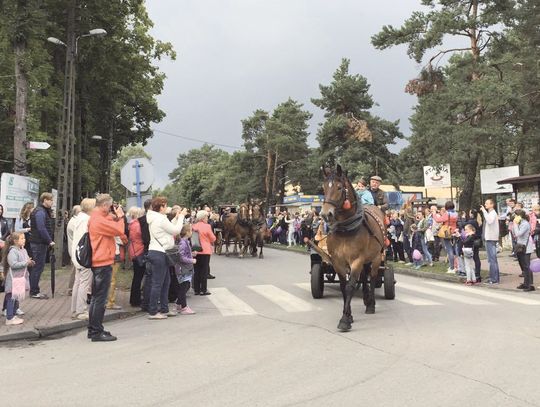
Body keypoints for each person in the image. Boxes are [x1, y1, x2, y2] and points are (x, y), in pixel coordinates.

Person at [87, 194, 126, 342]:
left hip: (100, 261)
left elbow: (109, 222)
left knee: (97, 298)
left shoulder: (97, 217)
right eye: (109, 206)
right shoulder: (98, 220)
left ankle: (93, 329)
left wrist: (113, 215)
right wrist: (121, 217)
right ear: (104, 205)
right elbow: (119, 231)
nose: (111, 209)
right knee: (100, 299)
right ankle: (96, 331)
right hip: (102, 262)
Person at [146, 197, 185, 319]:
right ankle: (152, 311)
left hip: (158, 252)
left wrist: (176, 218)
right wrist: (182, 217)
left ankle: (164, 308)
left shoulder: (157, 218)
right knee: (158, 283)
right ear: (161, 207)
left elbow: (168, 227)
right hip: (159, 253)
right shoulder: (160, 219)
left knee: (165, 282)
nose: (167, 207)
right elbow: (175, 230)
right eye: (165, 205)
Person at [70, 198, 96, 320]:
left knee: (78, 282)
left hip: (77, 254)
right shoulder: (87, 220)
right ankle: (81, 310)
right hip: (84, 255)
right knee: (84, 283)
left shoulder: (78, 218)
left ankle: (74, 309)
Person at [1, 232, 33, 325]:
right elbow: (13, 264)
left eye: (24, 238)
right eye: (21, 238)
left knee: (16, 297)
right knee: (11, 298)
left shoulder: (23, 250)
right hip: (13, 279)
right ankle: (9, 318)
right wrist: (25, 263)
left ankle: (13, 314)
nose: (24, 240)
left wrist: (30, 262)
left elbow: (26, 260)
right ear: (15, 241)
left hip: (20, 278)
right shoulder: (12, 251)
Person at [28, 193, 55, 299]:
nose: (52, 202)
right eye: (50, 200)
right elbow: (41, 228)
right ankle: (34, 291)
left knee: (37, 267)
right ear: (45, 200)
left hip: (38, 242)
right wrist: (49, 241)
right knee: (37, 267)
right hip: (39, 243)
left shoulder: (41, 211)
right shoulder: (40, 212)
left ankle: (34, 290)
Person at [192, 210, 216, 296]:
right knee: (204, 270)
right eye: (206, 217)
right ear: (203, 218)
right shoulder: (207, 226)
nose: (207, 218)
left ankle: (196, 289)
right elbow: (213, 238)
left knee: (196, 270)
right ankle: (203, 289)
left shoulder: (194, 226)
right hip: (205, 250)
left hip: (195, 250)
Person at [173, 223, 196, 315]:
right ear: (187, 232)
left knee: (185, 287)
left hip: (185, 268)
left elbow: (184, 254)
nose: (192, 232)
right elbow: (181, 257)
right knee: (184, 287)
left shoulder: (185, 241)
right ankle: (184, 307)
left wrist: (192, 254)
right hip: (183, 269)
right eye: (191, 230)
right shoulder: (183, 242)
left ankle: (179, 304)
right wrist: (191, 260)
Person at [433, 201, 458, 274]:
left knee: (449, 250)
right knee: (455, 250)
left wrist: (434, 214)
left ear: (446, 207)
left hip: (447, 232)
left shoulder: (447, 214)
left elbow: (438, 220)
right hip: (454, 231)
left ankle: (452, 267)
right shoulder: (456, 214)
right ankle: (457, 266)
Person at [513, 209, 535, 291]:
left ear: (519, 216)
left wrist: (515, 224)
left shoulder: (525, 224)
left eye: (515, 216)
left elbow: (518, 234)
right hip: (520, 247)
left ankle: (529, 285)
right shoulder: (520, 223)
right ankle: (526, 283)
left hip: (526, 248)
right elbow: (514, 233)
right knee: (523, 266)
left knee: (526, 266)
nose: (514, 217)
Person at [128, 207, 145, 307]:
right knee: (138, 277)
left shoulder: (131, 224)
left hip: (134, 250)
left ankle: (134, 298)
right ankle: (136, 299)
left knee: (136, 276)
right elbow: (142, 236)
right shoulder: (137, 225)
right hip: (139, 251)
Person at [480, 199, 500, 285]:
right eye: (485, 204)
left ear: (492, 205)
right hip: (490, 238)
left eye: (487, 203)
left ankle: (494, 279)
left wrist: (484, 211)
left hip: (491, 238)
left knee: (492, 260)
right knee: (492, 259)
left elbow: (489, 221)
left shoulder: (492, 213)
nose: (485, 205)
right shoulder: (491, 213)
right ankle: (495, 277)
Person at [66, 205, 81, 294]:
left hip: (75, 248)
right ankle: (70, 289)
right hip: (74, 249)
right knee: (75, 269)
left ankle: (71, 288)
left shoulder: (75, 221)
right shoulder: (74, 223)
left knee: (75, 269)